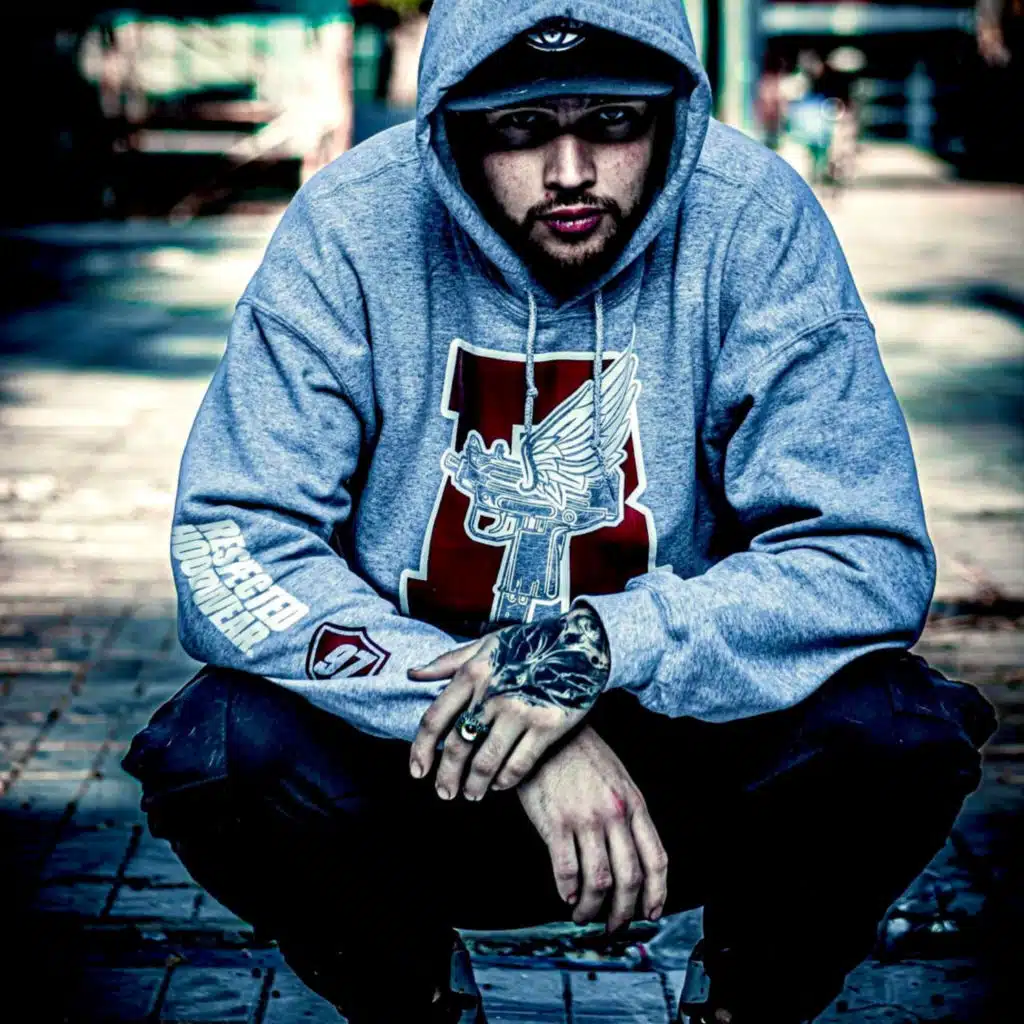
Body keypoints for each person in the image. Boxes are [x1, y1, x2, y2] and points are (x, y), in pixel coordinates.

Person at [121, 2, 997, 1022]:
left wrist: (589, 650)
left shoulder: (751, 219)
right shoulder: (349, 227)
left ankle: (739, 1009)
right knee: (217, 747)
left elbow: (865, 553)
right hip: (416, 758)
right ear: (456, 127)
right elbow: (234, 543)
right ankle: (424, 1008)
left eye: (613, 122)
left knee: (898, 730)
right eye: (522, 127)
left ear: (668, 114)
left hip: (673, 761)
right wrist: (498, 713)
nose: (571, 172)